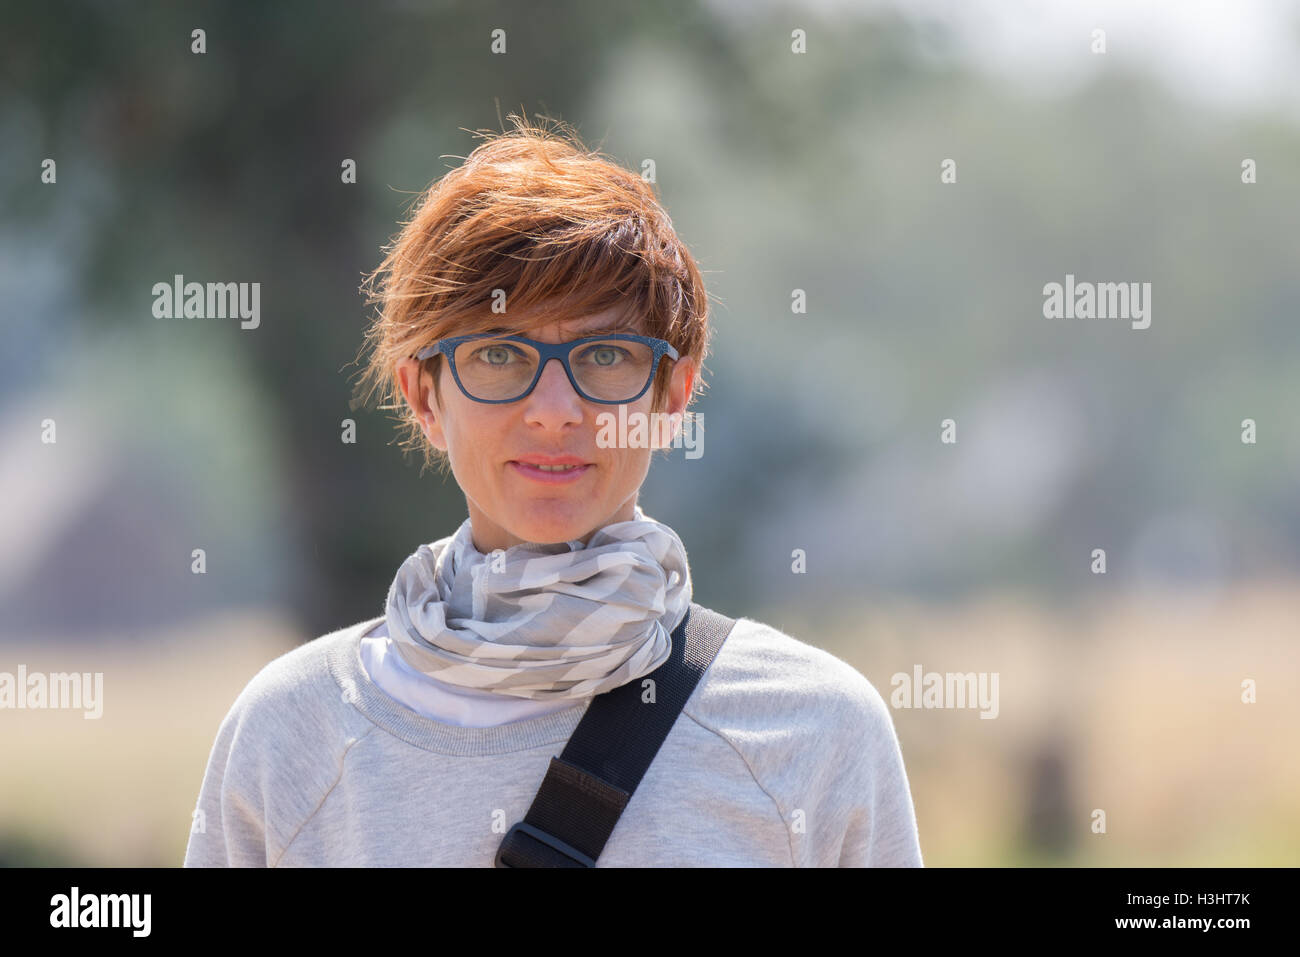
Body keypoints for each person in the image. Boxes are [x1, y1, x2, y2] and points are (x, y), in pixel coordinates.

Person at [183, 115, 923, 867]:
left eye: (604, 353)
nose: (555, 410)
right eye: (501, 353)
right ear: (423, 397)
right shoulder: (289, 737)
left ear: (672, 396)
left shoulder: (813, 732)